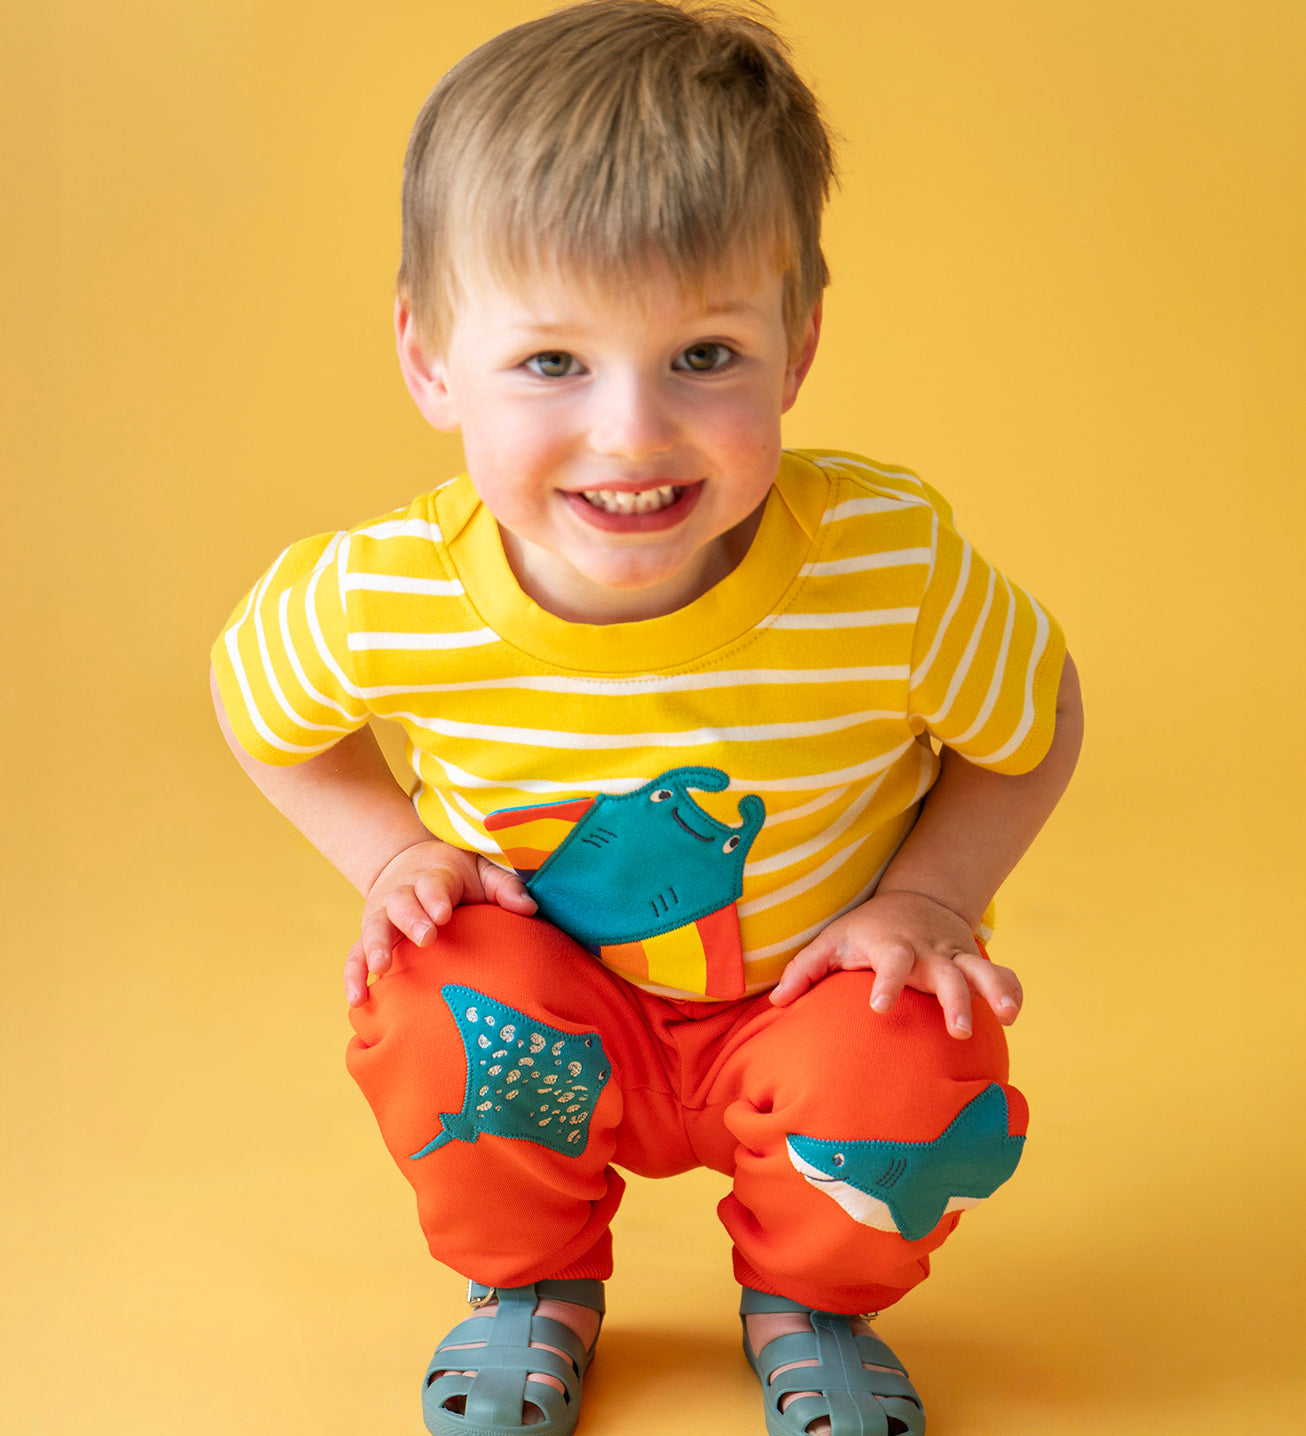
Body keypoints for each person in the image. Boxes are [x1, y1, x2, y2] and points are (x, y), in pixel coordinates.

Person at [211, 3, 1083, 1432]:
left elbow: (1033, 711)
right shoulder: (387, 594)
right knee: (427, 990)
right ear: (430, 359)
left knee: (909, 1044)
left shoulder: (886, 565)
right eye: (551, 363)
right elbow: (261, 709)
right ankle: (532, 1283)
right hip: (554, 1015)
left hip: (807, 1008)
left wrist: (929, 895)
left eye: (704, 357)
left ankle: (811, 1296)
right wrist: (386, 859)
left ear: (795, 349)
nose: (631, 432)